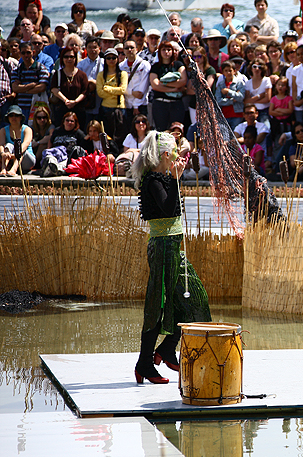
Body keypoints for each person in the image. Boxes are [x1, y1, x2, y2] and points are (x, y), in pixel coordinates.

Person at [130, 130, 212, 385]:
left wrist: (175, 178)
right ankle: (145, 362)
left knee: (195, 298)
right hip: (163, 247)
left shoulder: (165, 178)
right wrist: (176, 179)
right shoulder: (153, 180)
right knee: (159, 303)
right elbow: (167, 208)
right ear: (166, 155)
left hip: (174, 247)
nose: (178, 157)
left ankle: (166, 348)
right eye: (175, 152)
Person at [149, 41, 186, 133]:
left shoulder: (178, 65)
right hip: (160, 103)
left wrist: (164, 83)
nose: (166, 52)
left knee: (177, 131)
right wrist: (173, 88)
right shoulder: (155, 67)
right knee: (161, 131)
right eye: (163, 50)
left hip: (176, 103)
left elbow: (183, 81)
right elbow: (155, 85)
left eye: (169, 50)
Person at [49, 48, 89, 129]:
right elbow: (53, 88)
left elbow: (85, 92)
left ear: (75, 58)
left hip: (78, 110)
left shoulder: (82, 75)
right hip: (61, 110)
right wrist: (65, 100)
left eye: (71, 57)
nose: (69, 59)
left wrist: (75, 101)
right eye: (66, 57)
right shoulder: (58, 74)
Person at [95, 49, 128, 146]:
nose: (111, 60)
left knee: (120, 135)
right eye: (108, 58)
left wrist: (107, 88)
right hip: (106, 108)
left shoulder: (123, 74)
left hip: (120, 109)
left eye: (114, 57)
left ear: (117, 59)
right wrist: (115, 91)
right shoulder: (101, 75)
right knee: (107, 136)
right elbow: (100, 93)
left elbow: (122, 90)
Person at [0, 105, 34, 176]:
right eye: (11, 115)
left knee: (20, 149)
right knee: (8, 146)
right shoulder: (3, 130)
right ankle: (4, 169)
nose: (14, 118)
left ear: (21, 117)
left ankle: (13, 170)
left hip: (27, 160)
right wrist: (3, 153)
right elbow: (1, 144)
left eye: (16, 115)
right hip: (11, 160)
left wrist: (15, 155)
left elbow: (25, 144)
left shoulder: (27, 130)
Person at [215, 60, 246, 129]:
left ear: (234, 71)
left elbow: (241, 97)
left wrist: (228, 91)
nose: (228, 73)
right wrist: (232, 100)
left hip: (237, 114)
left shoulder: (239, 83)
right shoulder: (221, 84)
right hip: (224, 115)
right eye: (226, 71)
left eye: (230, 70)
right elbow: (218, 100)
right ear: (223, 72)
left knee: (235, 134)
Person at [244, 58, 272, 122]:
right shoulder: (248, 83)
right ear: (251, 68)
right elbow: (246, 101)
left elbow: (267, 99)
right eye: (254, 66)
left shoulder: (266, 80)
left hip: (264, 111)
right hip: (251, 113)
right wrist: (260, 96)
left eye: (259, 67)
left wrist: (252, 100)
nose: (257, 69)